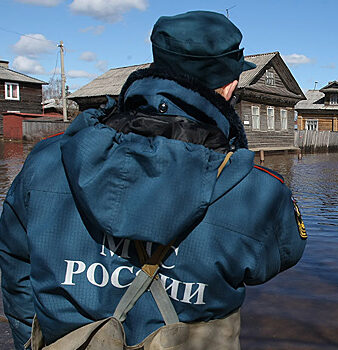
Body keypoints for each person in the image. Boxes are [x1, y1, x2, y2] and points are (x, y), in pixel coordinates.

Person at [0, 11, 306, 349]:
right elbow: (283, 253)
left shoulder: (47, 161)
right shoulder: (257, 193)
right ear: (230, 86)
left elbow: (16, 272)